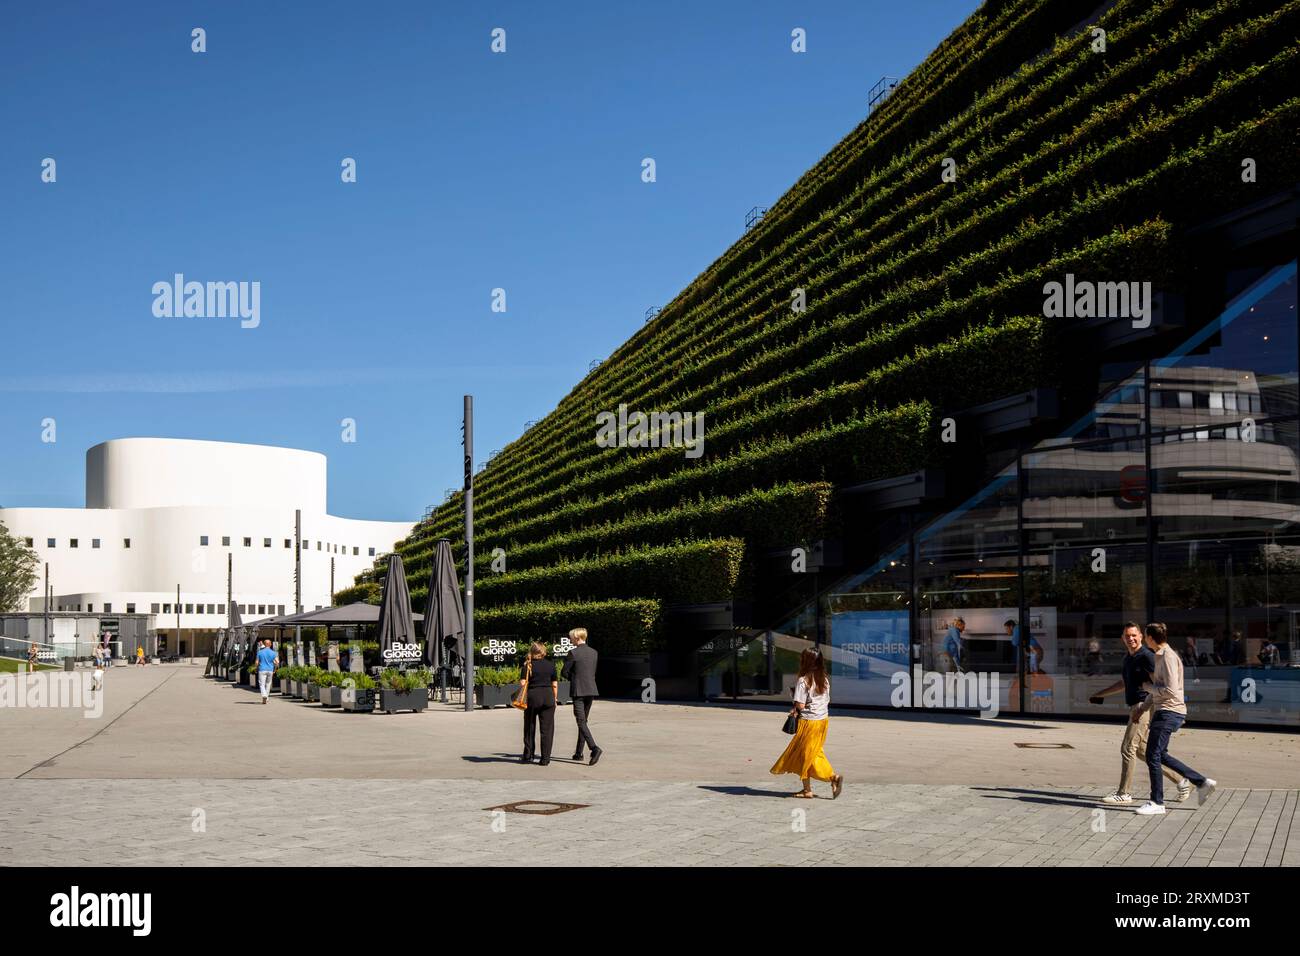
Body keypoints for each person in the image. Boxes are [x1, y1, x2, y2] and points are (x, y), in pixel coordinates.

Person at [1089, 623, 1187, 805]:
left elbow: (1159, 685)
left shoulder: (1147, 657)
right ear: (1122, 638)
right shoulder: (1129, 659)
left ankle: (1124, 793)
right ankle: (1181, 780)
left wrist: (1144, 708)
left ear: (1141, 636)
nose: (1131, 639)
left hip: (1144, 706)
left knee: (1127, 748)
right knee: (1142, 751)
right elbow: (1125, 683)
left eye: (1134, 635)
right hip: (1136, 706)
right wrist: (1100, 693)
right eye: (1127, 636)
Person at [1135, 623, 1216, 815]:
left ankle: (1157, 802)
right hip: (1166, 710)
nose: (1145, 639)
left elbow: (1169, 691)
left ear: (1151, 638)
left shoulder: (1168, 657)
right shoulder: (1160, 655)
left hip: (1169, 711)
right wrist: (1143, 707)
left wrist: (1147, 687)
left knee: (1151, 755)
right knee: (1159, 754)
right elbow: (1160, 688)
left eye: (1145, 636)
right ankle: (1202, 782)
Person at [770, 648, 844, 799]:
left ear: (806, 661)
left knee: (811, 755)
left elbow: (801, 705)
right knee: (806, 754)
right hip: (822, 721)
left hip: (809, 722)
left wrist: (794, 699)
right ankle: (807, 789)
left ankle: (832, 777)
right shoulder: (824, 679)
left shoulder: (803, 681)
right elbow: (826, 700)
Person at [566, 627, 602, 765]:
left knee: (581, 722)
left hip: (578, 691)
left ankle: (594, 748)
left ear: (576, 638)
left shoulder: (573, 653)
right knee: (583, 722)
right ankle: (579, 753)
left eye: (571, 637)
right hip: (591, 689)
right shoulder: (594, 652)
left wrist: (574, 677)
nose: (570, 640)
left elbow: (565, 672)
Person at [520, 642, 558, 765]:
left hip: (532, 697)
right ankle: (545, 758)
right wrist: (555, 698)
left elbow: (522, 683)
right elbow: (555, 684)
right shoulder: (551, 665)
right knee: (547, 729)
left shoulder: (528, 665)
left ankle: (528, 755)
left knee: (529, 726)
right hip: (548, 697)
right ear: (543, 651)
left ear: (532, 651)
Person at [255, 638, 279, 704]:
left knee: (262, 684)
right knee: (268, 684)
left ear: (264, 644)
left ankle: (264, 695)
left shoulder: (260, 652)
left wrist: (256, 668)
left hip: (262, 669)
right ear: (270, 644)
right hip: (270, 670)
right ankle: (266, 698)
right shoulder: (273, 653)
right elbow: (277, 662)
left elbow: (257, 662)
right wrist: (275, 669)